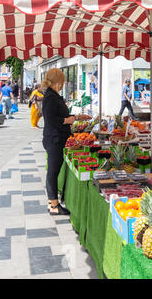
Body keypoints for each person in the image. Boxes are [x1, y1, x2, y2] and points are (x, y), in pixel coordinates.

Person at [41, 68, 91, 215]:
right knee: (53, 171)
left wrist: (76, 117)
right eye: (62, 81)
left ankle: (53, 203)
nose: (63, 84)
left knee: (54, 170)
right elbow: (50, 119)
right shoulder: (50, 97)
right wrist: (66, 120)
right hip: (54, 139)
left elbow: (59, 115)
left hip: (57, 137)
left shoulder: (53, 95)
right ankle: (54, 205)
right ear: (57, 81)